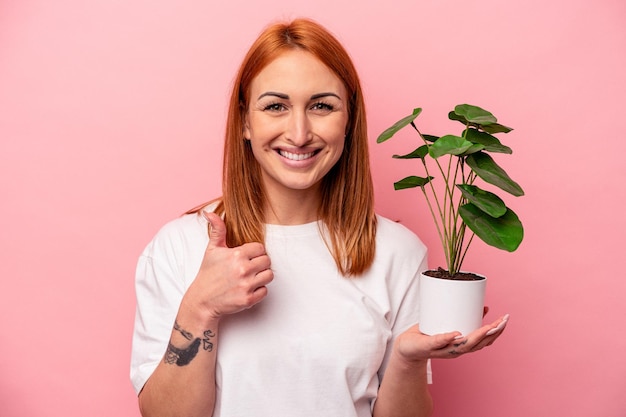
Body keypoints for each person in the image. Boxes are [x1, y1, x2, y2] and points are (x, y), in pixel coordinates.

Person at [130, 17, 509, 417]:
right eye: (275, 106)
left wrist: (408, 360)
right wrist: (200, 307)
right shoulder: (178, 247)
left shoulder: (398, 253)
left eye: (322, 107)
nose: (298, 133)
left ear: (349, 120)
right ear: (244, 120)